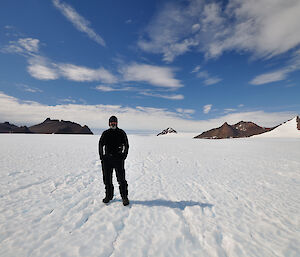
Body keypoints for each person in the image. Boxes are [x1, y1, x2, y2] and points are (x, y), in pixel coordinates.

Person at [99, 116, 129, 206]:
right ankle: (109, 196)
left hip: (118, 159)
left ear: (117, 123)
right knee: (107, 179)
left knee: (121, 179)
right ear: (109, 123)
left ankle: (124, 197)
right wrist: (102, 157)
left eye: (114, 122)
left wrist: (124, 156)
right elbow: (100, 145)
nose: (113, 124)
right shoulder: (105, 133)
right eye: (111, 122)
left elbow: (126, 145)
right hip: (107, 160)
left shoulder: (121, 133)